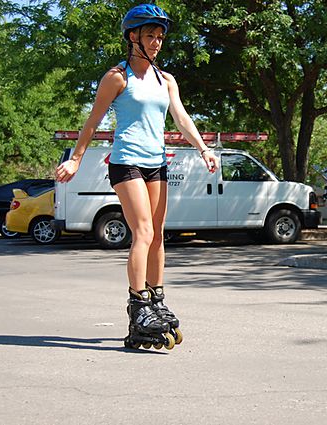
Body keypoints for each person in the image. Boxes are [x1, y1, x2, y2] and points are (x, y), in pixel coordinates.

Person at [55, 3, 220, 350]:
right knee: (142, 231)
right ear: (133, 37)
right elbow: (93, 121)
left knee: (159, 233)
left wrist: (203, 148)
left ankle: (156, 300)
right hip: (126, 161)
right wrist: (76, 160)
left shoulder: (166, 79)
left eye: (160, 36)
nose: (157, 42)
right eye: (150, 35)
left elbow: (181, 118)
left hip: (156, 161)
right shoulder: (117, 77)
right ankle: (139, 304)